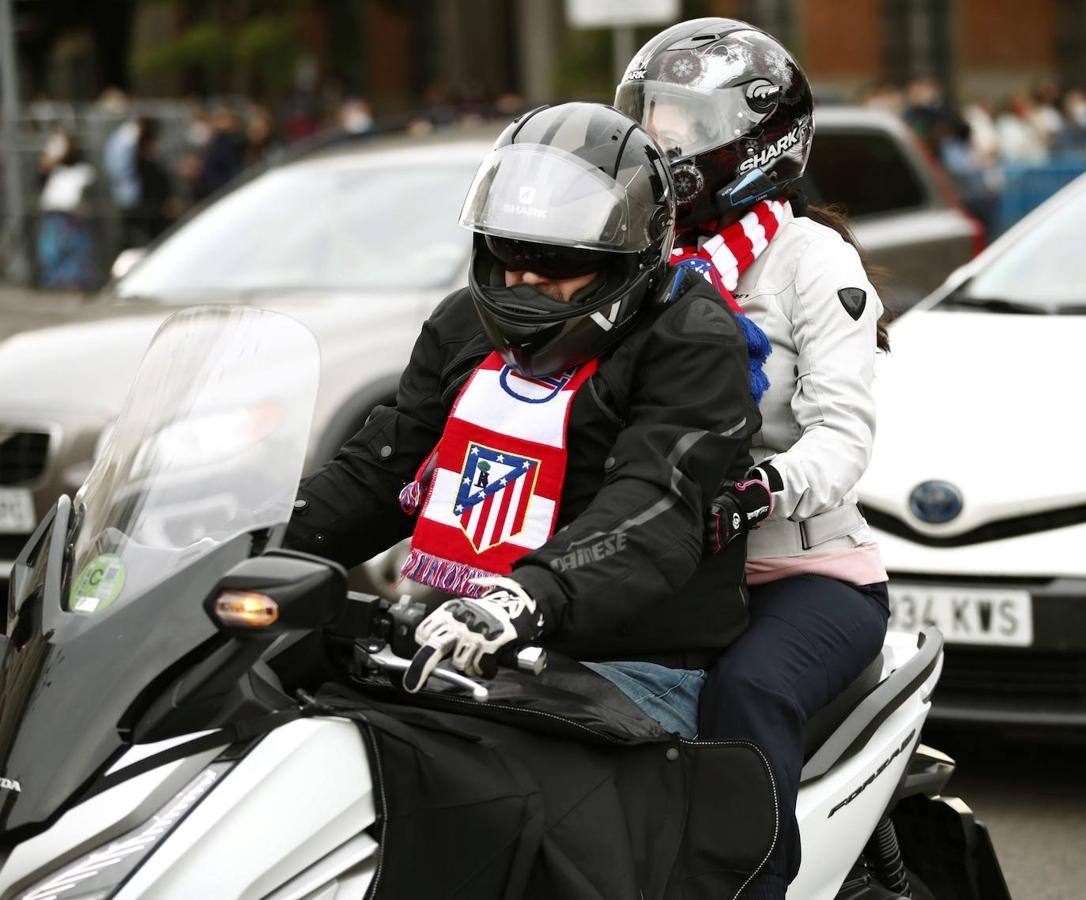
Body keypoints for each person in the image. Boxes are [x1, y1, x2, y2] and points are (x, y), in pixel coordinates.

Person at [285, 101, 761, 737]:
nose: (526, 274)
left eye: (560, 258)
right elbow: (385, 471)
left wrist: (527, 597)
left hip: (629, 665)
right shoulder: (463, 323)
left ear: (629, 253)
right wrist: (241, 544)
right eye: (509, 247)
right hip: (469, 643)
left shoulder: (690, 335)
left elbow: (655, 505)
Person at [615, 19, 890, 899]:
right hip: (663, 557)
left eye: (687, 123)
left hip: (800, 573)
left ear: (760, 140)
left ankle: (748, 887)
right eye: (653, 116)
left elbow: (843, 436)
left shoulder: (810, 259)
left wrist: (759, 488)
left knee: (746, 695)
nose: (662, 141)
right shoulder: (637, 253)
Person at [36, 132, 98, 290]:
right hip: (56, 217)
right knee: (53, 251)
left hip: (74, 218)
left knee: (75, 253)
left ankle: (73, 283)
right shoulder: (54, 171)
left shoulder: (83, 171)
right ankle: (55, 282)